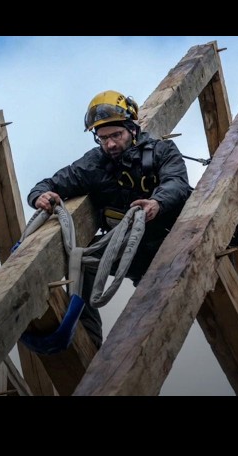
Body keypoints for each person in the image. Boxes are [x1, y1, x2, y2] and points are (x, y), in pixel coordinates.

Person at [27, 90, 193, 348]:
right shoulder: (94, 163)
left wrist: (156, 203)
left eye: (117, 135)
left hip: (168, 243)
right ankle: (88, 343)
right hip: (128, 249)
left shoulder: (161, 152)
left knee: (155, 313)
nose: (111, 144)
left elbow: (176, 183)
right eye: (103, 138)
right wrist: (39, 194)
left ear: (132, 129)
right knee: (82, 265)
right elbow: (52, 182)